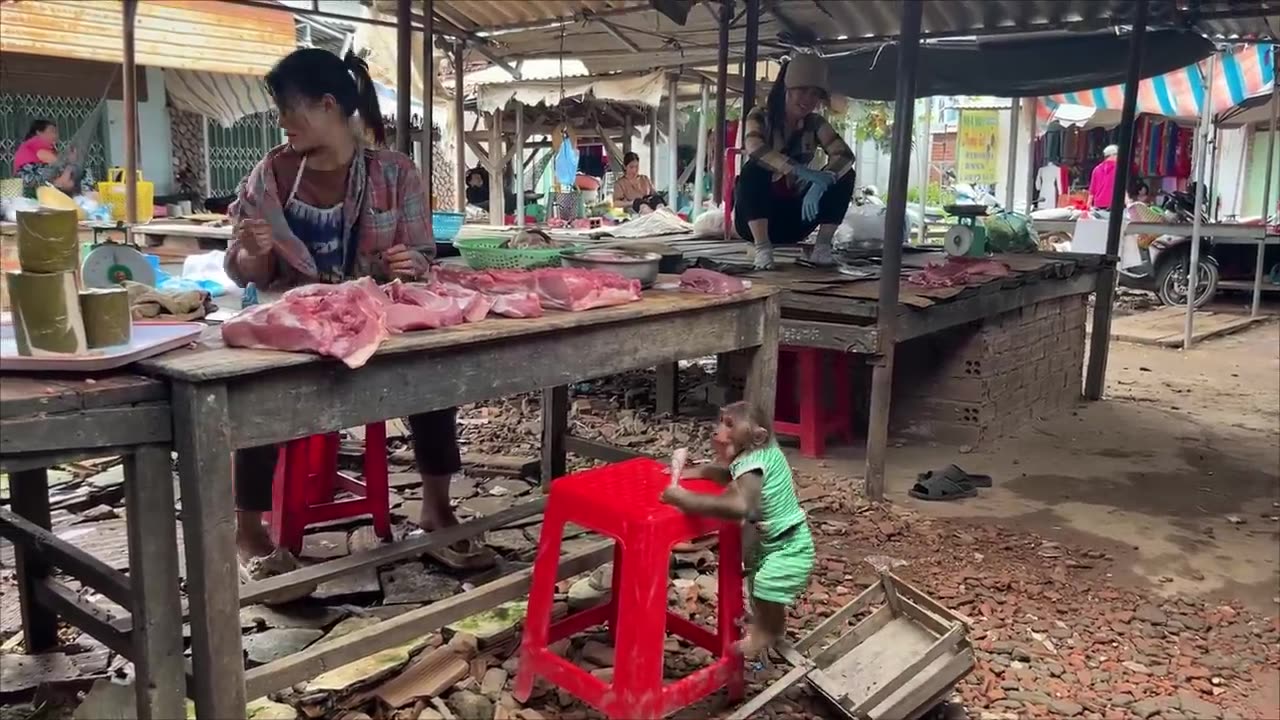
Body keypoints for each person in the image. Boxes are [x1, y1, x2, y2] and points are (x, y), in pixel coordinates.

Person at [224, 48, 495, 578]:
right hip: (294, 324)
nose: (282, 123)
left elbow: (423, 255)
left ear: (328, 105)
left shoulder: (395, 173)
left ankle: (436, 510)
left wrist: (410, 260)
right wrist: (253, 251)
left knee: (431, 371)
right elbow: (247, 277)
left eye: (288, 109)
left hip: (373, 320)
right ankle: (249, 531)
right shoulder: (270, 175)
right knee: (255, 386)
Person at [661, 402, 815, 656]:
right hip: (773, 542)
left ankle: (769, 632)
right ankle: (770, 625)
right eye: (721, 421)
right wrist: (696, 472)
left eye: (729, 424)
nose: (718, 430)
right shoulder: (755, 454)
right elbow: (729, 474)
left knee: (766, 585)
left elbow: (740, 506)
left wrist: (682, 498)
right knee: (758, 587)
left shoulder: (754, 462)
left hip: (791, 545)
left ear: (757, 436)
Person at [735, 54, 856, 270]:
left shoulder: (815, 123)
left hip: (795, 220)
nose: (808, 99)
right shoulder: (760, 116)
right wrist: (800, 171)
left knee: (845, 173)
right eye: (802, 90)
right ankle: (763, 249)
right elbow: (754, 147)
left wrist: (824, 180)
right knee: (754, 169)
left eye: (815, 94)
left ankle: (822, 248)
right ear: (786, 89)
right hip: (754, 220)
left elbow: (844, 155)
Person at [13, 119, 78, 196]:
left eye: (56, 133)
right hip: (28, 176)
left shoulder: (49, 148)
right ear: (39, 132)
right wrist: (70, 162)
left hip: (33, 179)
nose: (56, 136)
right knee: (67, 171)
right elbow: (55, 161)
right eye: (52, 132)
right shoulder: (35, 142)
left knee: (69, 176)